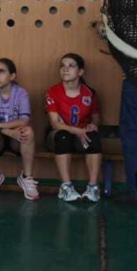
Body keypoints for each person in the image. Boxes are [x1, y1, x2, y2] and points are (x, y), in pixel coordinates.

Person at [45, 54, 102, 203]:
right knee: (63, 136)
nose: (65, 69)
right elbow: (55, 123)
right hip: (59, 135)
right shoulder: (53, 91)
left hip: (81, 136)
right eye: (62, 66)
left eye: (71, 66)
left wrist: (93, 125)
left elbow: (96, 116)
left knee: (93, 137)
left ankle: (93, 187)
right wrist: (77, 131)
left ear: (80, 72)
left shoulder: (89, 92)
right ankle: (66, 187)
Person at [0, 58, 39, 201]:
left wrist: (2, 127)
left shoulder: (21, 93)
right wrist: (7, 131)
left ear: (12, 76)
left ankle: (26, 177)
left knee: (28, 132)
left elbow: (24, 120)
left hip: (16, 139)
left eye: (1, 72)